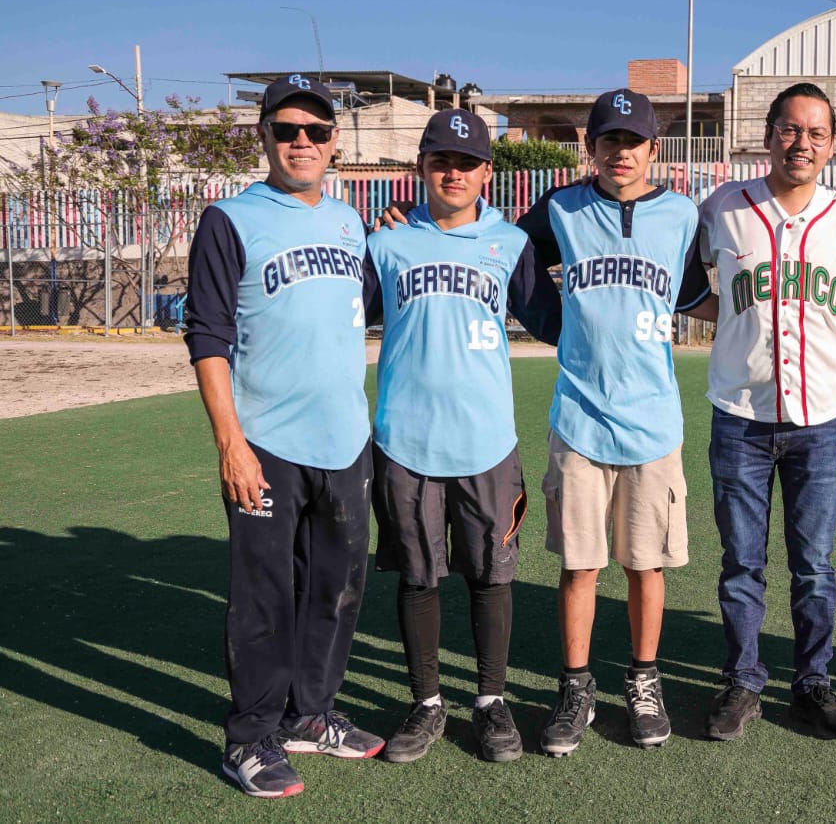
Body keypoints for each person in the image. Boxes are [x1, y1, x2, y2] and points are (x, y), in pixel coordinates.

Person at [185, 75, 384, 798]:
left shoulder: (349, 222)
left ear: (336, 143)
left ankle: (312, 714)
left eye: (318, 131)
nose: (303, 142)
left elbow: (361, 305)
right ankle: (250, 736)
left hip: (344, 439)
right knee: (265, 593)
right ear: (262, 136)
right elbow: (206, 335)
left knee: (336, 589)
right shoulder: (229, 220)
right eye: (288, 129)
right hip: (265, 438)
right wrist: (229, 442)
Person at [363, 109, 561, 765]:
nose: (454, 172)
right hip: (406, 440)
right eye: (441, 159)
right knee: (418, 579)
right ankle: (425, 703)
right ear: (421, 167)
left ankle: (490, 701)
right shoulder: (386, 242)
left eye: (467, 161)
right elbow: (341, 315)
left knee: (490, 576)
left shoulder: (510, 242)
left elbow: (555, 320)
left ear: (486, 171)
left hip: (486, 442)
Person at [525, 89, 712, 755]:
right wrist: (551, 323)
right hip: (579, 415)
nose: (620, 152)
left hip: (653, 422)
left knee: (645, 565)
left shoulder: (681, 215)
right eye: (609, 141)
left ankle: (643, 679)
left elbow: (696, 290)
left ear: (653, 150)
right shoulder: (562, 208)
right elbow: (504, 252)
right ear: (591, 149)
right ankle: (576, 686)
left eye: (633, 142)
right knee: (580, 565)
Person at [696, 83, 836, 741]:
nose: (803, 143)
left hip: (819, 416)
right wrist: (728, 324)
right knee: (742, 563)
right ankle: (743, 684)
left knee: (814, 565)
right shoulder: (721, 208)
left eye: (816, 133)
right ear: (769, 134)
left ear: (831, 144)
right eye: (791, 129)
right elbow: (685, 285)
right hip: (740, 412)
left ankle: (813, 683)